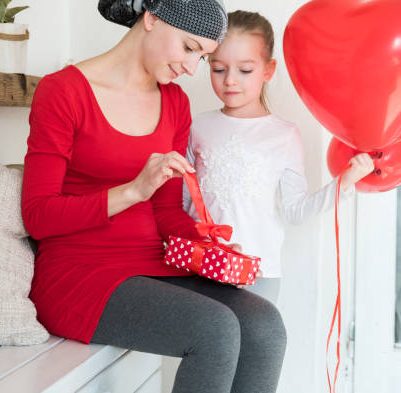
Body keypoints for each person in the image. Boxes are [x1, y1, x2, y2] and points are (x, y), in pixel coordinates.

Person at [22, 2, 286, 392]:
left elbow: (165, 211)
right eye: (188, 47)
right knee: (214, 330)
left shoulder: (175, 103)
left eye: (202, 56)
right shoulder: (62, 91)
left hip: (151, 262)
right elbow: (37, 216)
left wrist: (206, 242)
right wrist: (131, 192)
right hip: (78, 272)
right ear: (151, 19)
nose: (192, 67)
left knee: (265, 327)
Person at [183, 10, 374, 305]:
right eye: (218, 68)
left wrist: (344, 183)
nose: (230, 81)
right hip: (199, 267)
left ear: (268, 70)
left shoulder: (284, 135)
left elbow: (295, 210)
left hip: (259, 274)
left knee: (254, 350)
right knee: (202, 348)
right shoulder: (197, 126)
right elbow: (183, 204)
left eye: (245, 70)